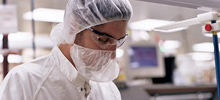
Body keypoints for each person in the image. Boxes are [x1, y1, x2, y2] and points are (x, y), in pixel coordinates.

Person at [0, 0, 133, 100]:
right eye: (103, 40)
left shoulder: (108, 91)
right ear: (74, 27)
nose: (112, 55)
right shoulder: (25, 81)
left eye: (118, 41)